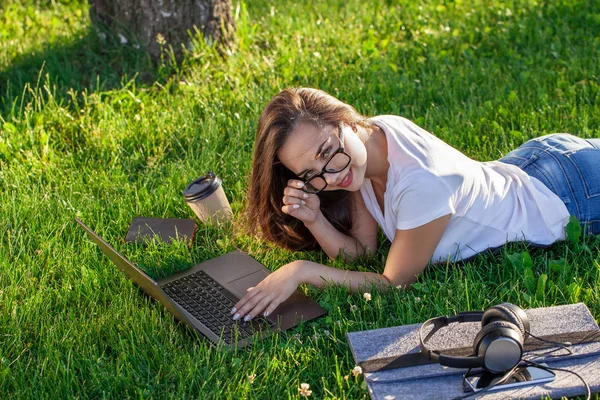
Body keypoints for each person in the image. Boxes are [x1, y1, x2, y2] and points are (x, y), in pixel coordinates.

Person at [231, 87, 600, 323]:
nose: (330, 177)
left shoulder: (422, 183)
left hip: (572, 196)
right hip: (531, 164)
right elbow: (362, 253)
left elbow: (393, 284)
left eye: (327, 152)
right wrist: (314, 219)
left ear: (346, 120)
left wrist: (301, 271)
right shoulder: (363, 153)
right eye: (311, 173)